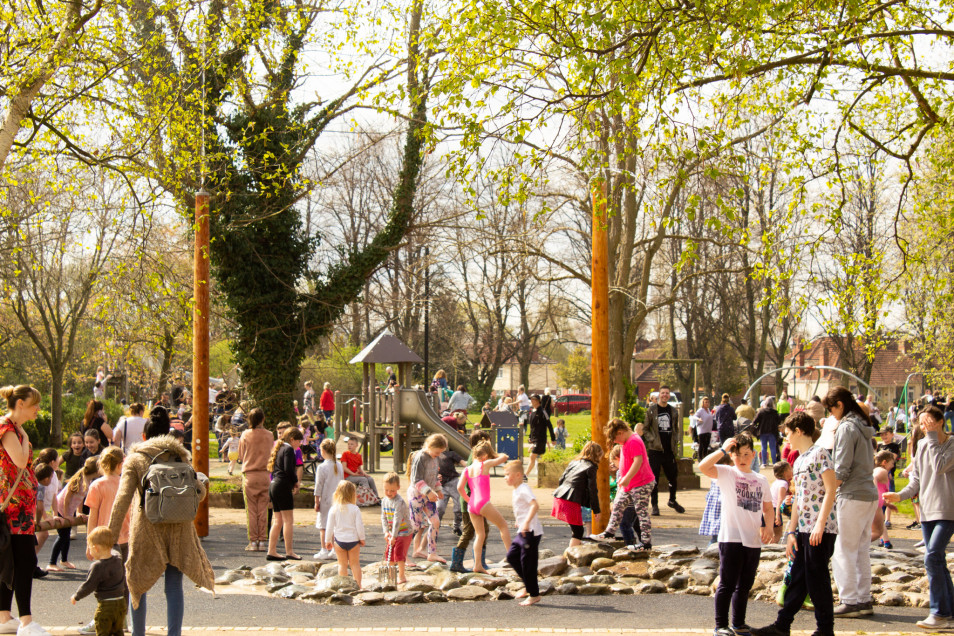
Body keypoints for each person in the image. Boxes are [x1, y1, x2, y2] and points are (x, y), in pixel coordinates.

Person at [106, 405, 214, 636]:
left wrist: (110, 535)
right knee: (174, 587)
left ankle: (138, 633)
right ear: (168, 433)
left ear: (143, 436)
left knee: (138, 583)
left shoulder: (135, 459)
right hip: (179, 528)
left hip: (146, 528)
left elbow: (123, 498)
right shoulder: (181, 455)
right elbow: (200, 493)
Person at [751, 412, 838, 636]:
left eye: (788, 433)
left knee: (817, 578)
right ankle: (782, 626)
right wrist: (792, 531)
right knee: (799, 577)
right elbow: (798, 498)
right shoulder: (798, 460)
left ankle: (825, 630)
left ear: (799, 431)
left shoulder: (821, 454)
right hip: (803, 530)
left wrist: (819, 524)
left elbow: (831, 489)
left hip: (821, 529)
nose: (786, 437)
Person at [884, 406, 954, 629]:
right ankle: (949, 612)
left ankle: (939, 614)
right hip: (927, 511)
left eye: (929, 423)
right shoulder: (923, 444)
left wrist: (932, 436)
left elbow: (940, 466)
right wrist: (900, 496)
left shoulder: (951, 444)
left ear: (941, 421)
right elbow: (916, 480)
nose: (925, 428)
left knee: (932, 557)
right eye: (922, 425)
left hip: (948, 510)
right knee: (938, 561)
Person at [698, 432, 773, 636]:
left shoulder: (761, 479)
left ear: (754, 455)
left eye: (747, 454)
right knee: (727, 583)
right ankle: (720, 625)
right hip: (731, 538)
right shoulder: (727, 473)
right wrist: (722, 449)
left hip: (753, 540)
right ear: (732, 455)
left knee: (745, 584)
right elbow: (702, 467)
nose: (742, 459)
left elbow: (768, 507)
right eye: (738, 454)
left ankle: (738, 623)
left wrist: (768, 526)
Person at [823, 386, 878, 618]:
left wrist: (829, 492)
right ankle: (863, 599)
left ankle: (850, 600)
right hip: (869, 493)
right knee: (861, 549)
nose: (831, 414)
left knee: (843, 550)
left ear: (840, 405)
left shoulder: (846, 427)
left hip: (852, 494)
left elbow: (841, 466)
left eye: (831, 409)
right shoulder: (864, 425)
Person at [0, 385, 47, 636]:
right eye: (33, 404)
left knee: (11, 560)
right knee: (24, 560)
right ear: (20, 404)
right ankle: (27, 621)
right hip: (15, 509)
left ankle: (4, 616)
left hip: (19, 507)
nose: (38, 409)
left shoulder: (13, 429)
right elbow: (19, 461)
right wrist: (27, 440)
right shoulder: (9, 429)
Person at [589, 418, 655, 549]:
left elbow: (638, 461)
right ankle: (609, 532)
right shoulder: (627, 441)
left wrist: (627, 477)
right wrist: (624, 479)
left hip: (641, 483)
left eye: (615, 439)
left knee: (641, 512)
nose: (615, 442)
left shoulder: (634, 441)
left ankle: (646, 543)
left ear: (620, 432)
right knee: (618, 505)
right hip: (630, 484)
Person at [459, 441, 511, 573]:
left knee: (479, 534)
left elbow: (459, 488)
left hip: (472, 505)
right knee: (503, 526)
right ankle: (512, 558)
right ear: (485, 456)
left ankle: (477, 565)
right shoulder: (484, 464)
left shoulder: (467, 469)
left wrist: (469, 500)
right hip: (483, 502)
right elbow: (504, 457)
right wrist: (495, 454)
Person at [70, 527, 126, 636]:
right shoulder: (118, 558)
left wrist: (76, 596)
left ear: (96, 548)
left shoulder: (98, 566)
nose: (90, 551)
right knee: (118, 631)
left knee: (102, 631)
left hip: (106, 605)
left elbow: (89, 585)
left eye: (90, 548)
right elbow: (116, 547)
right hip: (121, 604)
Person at [450, 430, 492, 573]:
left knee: (483, 530)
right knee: (469, 531)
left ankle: (479, 561)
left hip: (472, 500)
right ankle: (457, 563)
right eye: (487, 440)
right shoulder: (475, 458)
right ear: (482, 441)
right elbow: (468, 484)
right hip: (471, 500)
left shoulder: (475, 456)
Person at [48, 457, 99, 572]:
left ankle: (64, 560)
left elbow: (80, 498)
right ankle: (51, 563)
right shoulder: (78, 479)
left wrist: (79, 512)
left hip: (69, 511)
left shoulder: (88, 480)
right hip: (61, 509)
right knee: (63, 536)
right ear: (95, 471)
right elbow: (67, 498)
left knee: (66, 536)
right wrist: (66, 515)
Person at [640, 386, 684, 515]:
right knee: (654, 479)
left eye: (667, 393)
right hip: (655, 450)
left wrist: (675, 440)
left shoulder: (673, 411)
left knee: (673, 477)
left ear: (669, 395)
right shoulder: (652, 410)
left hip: (669, 450)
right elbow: (645, 428)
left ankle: (672, 500)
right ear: (659, 395)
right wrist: (652, 439)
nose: (665, 395)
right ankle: (654, 505)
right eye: (662, 393)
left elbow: (675, 428)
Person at [504, 460, 543, 607]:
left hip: (531, 532)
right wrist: (519, 521)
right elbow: (523, 508)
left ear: (518, 475)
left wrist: (526, 522)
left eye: (508, 475)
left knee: (528, 563)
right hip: (523, 530)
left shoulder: (523, 489)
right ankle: (528, 585)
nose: (505, 477)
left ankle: (534, 594)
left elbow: (535, 505)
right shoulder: (517, 489)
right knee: (512, 556)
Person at [551, 441, 602, 547]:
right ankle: (569, 557)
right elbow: (593, 490)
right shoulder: (591, 467)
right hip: (571, 500)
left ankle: (572, 553)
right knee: (578, 532)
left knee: (576, 530)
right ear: (596, 455)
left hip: (560, 496)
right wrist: (596, 510)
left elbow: (561, 479)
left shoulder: (574, 462)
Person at [407, 434, 448, 563]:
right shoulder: (421, 457)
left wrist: (438, 489)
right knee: (415, 526)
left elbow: (434, 476)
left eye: (440, 453)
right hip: (417, 495)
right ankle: (402, 554)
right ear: (429, 447)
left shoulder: (434, 458)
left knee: (435, 522)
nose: (438, 455)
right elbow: (416, 479)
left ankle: (432, 552)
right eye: (437, 452)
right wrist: (428, 491)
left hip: (428, 496)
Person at [238, 408, 274, 552]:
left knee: (251, 510)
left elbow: (241, 455)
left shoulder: (245, 434)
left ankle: (253, 541)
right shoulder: (270, 435)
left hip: (250, 474)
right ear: (263, 419)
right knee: (263, 509)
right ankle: (263, 540)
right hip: (265, 474)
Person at [265, 427, 303, 561]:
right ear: (292, 439)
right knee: (288, 521)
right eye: (299, 441)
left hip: (274, 484)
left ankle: (272, 550)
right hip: (282, 485)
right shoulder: (288, 449)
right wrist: (295, 481)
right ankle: (289, 551)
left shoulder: (280, 448)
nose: (300, 444)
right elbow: (288, 469)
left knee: (278, 520)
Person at [325, 481, 365, 588]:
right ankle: (359, 585)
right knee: (355, 564)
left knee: (342, 564)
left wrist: (327, 540)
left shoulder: (334, 509)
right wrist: (362, 538)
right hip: (353, 541)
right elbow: (359, 526)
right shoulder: (355, 509)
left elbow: (329, 527)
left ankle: (343, 586)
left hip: (339, 541)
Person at [313, 438, 344, 561]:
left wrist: (316, 501)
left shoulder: (322, 467)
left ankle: (324, 549)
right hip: (337, 499)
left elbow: (318, 486)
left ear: (323, 451)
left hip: (325, 500)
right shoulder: (339, 465)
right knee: (335, 525)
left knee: (323, 526)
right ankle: (335, 550)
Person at [381, 472, 412, 584]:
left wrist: (394, 536)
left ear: (398, 488)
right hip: (392, 532)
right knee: (389, 552)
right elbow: (383, 517)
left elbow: (397, 520)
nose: (389, 493)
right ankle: (390, 575)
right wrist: (386, 532)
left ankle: (402, 576)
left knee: (399, 553)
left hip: (404, 531)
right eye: (386, 490)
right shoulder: (384, 501)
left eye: (392, 490)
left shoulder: (398, 502)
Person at [437, 447, 466, 536]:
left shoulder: (451, 454)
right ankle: (436, 527)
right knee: (440, 508)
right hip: (441, 486)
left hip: (453, 482)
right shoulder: (433, 456)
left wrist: (471, 467)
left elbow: (463, 462)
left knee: (459, 507)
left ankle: (456, 527)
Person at [525, 395, 554, 480]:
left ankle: (525, 475)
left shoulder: (543, 411)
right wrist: (530, 437)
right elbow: (532, 427)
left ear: (538, 401)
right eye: (531, 400)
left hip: (541, 438)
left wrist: (553, 438)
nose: (532, 401)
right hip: (535, 439)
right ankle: (542, 475)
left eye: (534, 400)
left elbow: (549, 425)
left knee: (532, 456)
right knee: (538, 457)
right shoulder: (532, 412)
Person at [872, 450, 896, 549]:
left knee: (880, 525)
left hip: (877, 502)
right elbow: (874, 477)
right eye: (892, 463)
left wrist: (888, 504)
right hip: (875, 503)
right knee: (877, 529)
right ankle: (857, 543)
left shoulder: (880, 471)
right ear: (884, 462)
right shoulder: (881, 471)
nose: (893, 465)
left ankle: (885, 541)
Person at [754, 397, 781, 464]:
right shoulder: (775, 413)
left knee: (763, 447)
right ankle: (774, 462)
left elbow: (755, 421)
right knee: (773, 448)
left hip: (763, 431)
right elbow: (779, 421)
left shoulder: (761, 412)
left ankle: (764, 463)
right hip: (772, 432)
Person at [770, 461, 793, 543]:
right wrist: (778, 515)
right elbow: (780, 499)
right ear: (784, 472)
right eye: (790, 469)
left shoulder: (776, 482)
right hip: (775, 509)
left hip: (769, 508)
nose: (792, 470)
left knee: (772, 534)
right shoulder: (783, 484)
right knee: (778, 534)